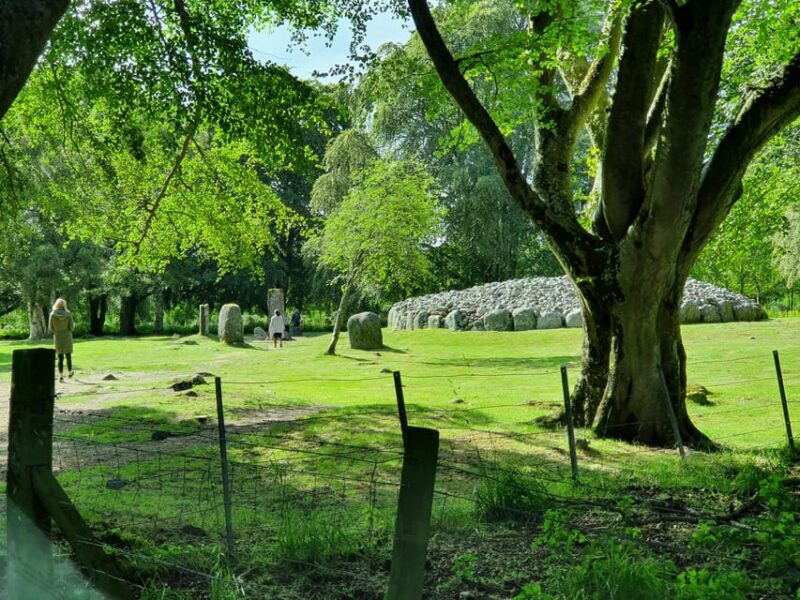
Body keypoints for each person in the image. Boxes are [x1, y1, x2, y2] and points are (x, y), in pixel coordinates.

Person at [49, 298, 75, 382]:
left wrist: (56, 331)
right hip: (67, 335)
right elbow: (71, 326)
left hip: (57, 336)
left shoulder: (52, 315)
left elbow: (51, 327)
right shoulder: (68, 314)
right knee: (68, 355)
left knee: (60, 357)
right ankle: (70, 372)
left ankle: (60, 376)